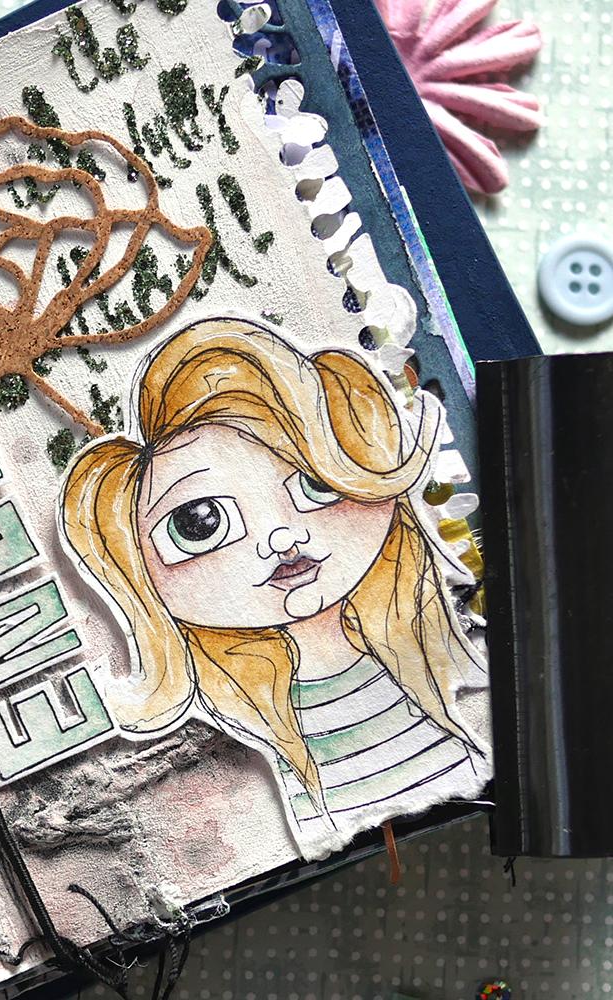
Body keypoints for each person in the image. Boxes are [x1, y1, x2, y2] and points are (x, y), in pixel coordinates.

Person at [59, 316, 488, 851]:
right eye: (200, 522)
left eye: (316, 482)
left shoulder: (419, 646)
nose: (281, 539)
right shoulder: (250, 709)